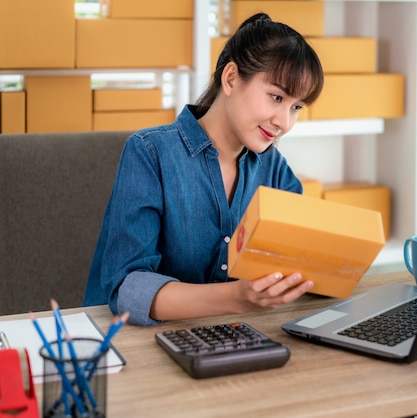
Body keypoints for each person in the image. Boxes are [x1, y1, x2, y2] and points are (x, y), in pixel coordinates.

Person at [83, 13, 324, 326]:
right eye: (276, 97)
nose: (285, 122)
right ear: (231, 78)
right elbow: (126, 288)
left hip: (226, 337)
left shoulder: (275, 171)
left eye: (296, 107)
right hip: (127, 345)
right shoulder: (149, 152)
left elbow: (293, 265)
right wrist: (236, 298)